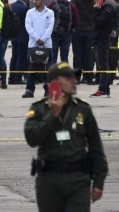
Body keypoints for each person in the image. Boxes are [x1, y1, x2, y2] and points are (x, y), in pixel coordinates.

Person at [24, 62, 108, 211]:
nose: (74, 81)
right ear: (55, 82)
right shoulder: (39, 109)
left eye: (75, 77)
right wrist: (52, 115)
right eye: (69, 77)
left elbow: (96, 148)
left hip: (78, 180)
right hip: (49, 181)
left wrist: (98, 182)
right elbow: (32, 139)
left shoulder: (83, 109)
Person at [22, 0, 54, 98]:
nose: (34, 1)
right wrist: (37, 38)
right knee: (32, 68)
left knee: (47, 69)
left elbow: (50, 27)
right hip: (33, 44)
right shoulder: (30, 12)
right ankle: (29, 90)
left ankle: (48, 90)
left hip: (46, 45)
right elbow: (28, 27)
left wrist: (43, 39)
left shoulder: (50, 13)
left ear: (43, 0)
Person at [90, 0, 116, 98]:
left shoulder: (107, 9)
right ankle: (105, 89)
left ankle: (103, 89)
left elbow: (99, 22)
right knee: (101, 65)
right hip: (97, 40)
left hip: (103, 41)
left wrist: (96, 10)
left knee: (103, 65)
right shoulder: (100, 9)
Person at [71, 0, 95, 84]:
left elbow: (71, 13)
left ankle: (76, 78)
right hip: (90, 29)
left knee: (77, 55)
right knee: (88, 54)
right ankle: (88, 77)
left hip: (78, 30)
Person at [50, 0, 79, 65]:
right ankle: (65, 75)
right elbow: (76, 21)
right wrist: (71, 29)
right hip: (67, 34)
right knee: (64, 58)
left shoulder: (52, 4)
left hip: (54, 34)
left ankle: (52, 75)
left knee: (53, 57)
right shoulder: (71, 5)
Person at [9, 0, 30, 85]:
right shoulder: (25, 8)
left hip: (14, 35)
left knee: (14, 57)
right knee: (21, 58)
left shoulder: (12, 6)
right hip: (23, 36)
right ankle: (18, 78)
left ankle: (11, 77)